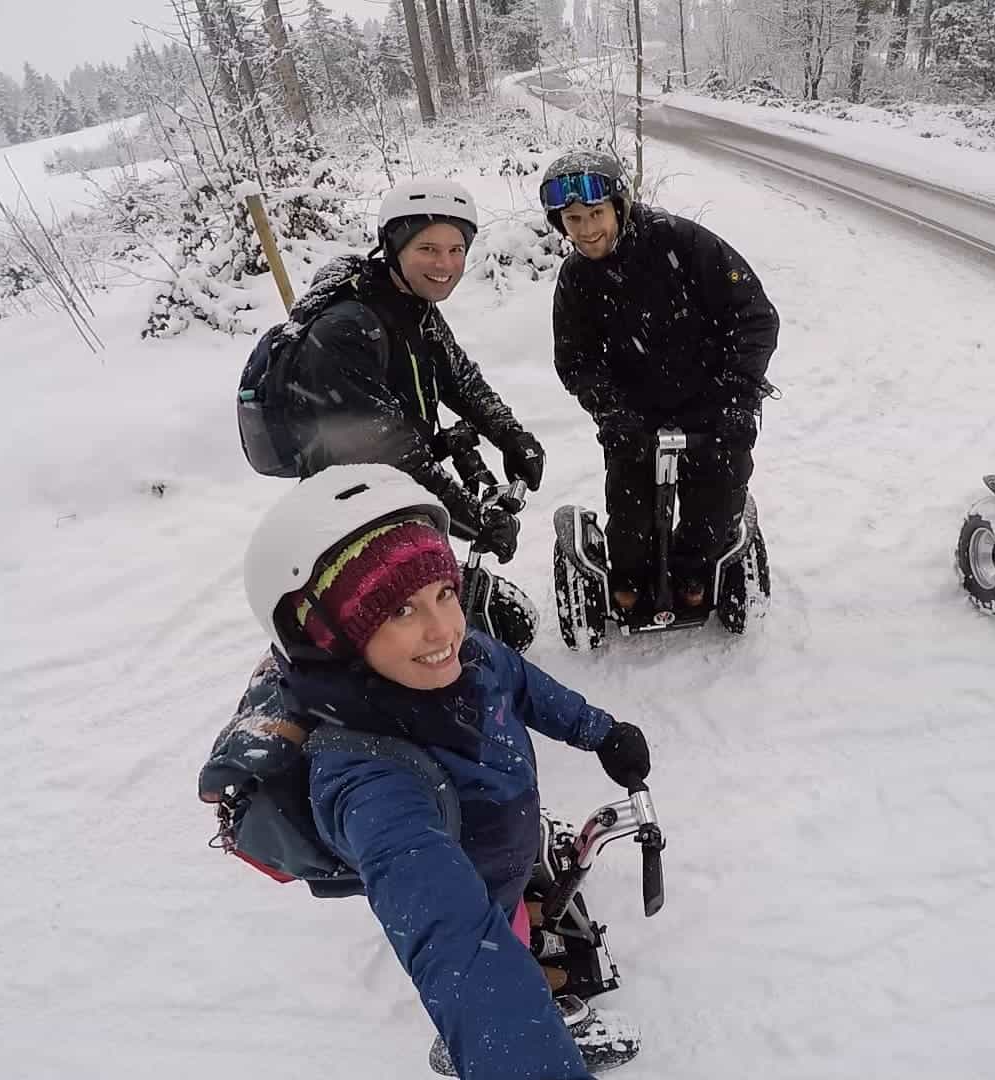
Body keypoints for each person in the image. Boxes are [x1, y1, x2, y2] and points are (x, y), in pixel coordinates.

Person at [217, 464, 653, 1079]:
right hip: (477, 889)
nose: (443, 629)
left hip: (504, 853)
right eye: (399, 610)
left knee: (511, 914)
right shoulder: (364, 777)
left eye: (444, 593)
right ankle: (486, 1027)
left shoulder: (461, 654)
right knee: (502, 946)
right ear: (333, 639)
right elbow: (456, 944)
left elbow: (521, 682)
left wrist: (599, 730)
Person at [542, 151, 780, 611]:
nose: (587, 230)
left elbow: (754, 316)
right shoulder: (576, 279)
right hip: (635, 412)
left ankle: (694, 572)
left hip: (711, 400)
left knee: (713, 502)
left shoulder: (679, 242)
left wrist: (739, 396)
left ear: (619, 206)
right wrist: (610, 409)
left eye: (596, 214)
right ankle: (631, 576)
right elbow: (576, 360)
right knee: (630, 514)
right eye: (573, 220)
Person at [280, 178, 545, 563]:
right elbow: (387, 450)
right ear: (393, 248)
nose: (446, 264)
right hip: (351, 523)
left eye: (456, 249)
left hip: (398, 502)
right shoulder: (344, 328)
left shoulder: (413, 305)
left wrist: (510, 435)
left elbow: (460, 378)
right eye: (428, 249)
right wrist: (475, 520)